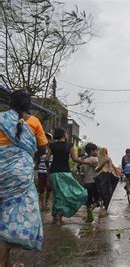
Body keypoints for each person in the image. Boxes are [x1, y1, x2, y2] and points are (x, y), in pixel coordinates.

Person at [0, 90, 48, 265]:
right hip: (19, 174)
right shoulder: (34, 122)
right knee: (12, 214)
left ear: (10, 103)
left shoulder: (1, 118)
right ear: (28, 104)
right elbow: (42, 148)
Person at [46, 128, 90, 225]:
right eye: (66, 133)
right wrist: (86, 162)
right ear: (63, 135)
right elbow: (75, 159)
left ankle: (54, 218)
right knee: (72, 193)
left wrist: (48, 170)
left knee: (57, 194)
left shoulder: (51, 145)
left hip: (53, 172)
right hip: (65, 172)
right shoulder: (69, 145)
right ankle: (58, 219)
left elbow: (46, 159)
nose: (67, 135)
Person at [80, 143, 100, 223]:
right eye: (96, 150)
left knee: (88, 201)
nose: (97, 152)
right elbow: (98, 169)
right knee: (97, 201)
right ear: (92, 151)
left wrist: (82, 183)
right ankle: (91, 211)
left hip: (86, 183)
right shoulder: (95, 159)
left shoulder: (83, 161)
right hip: (94, 182)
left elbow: (81, 174)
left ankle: (89, 217)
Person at [36, 133, 54, 211]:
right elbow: (37, 160)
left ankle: (46, 203)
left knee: (49, 188)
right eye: (45, 137)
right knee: (41, 188)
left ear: (51, 139)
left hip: (50, 171)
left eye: (48, 138)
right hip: (41, 171)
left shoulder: (53, 148)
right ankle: (42, 205)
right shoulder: (40, 149)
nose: (47, 139)